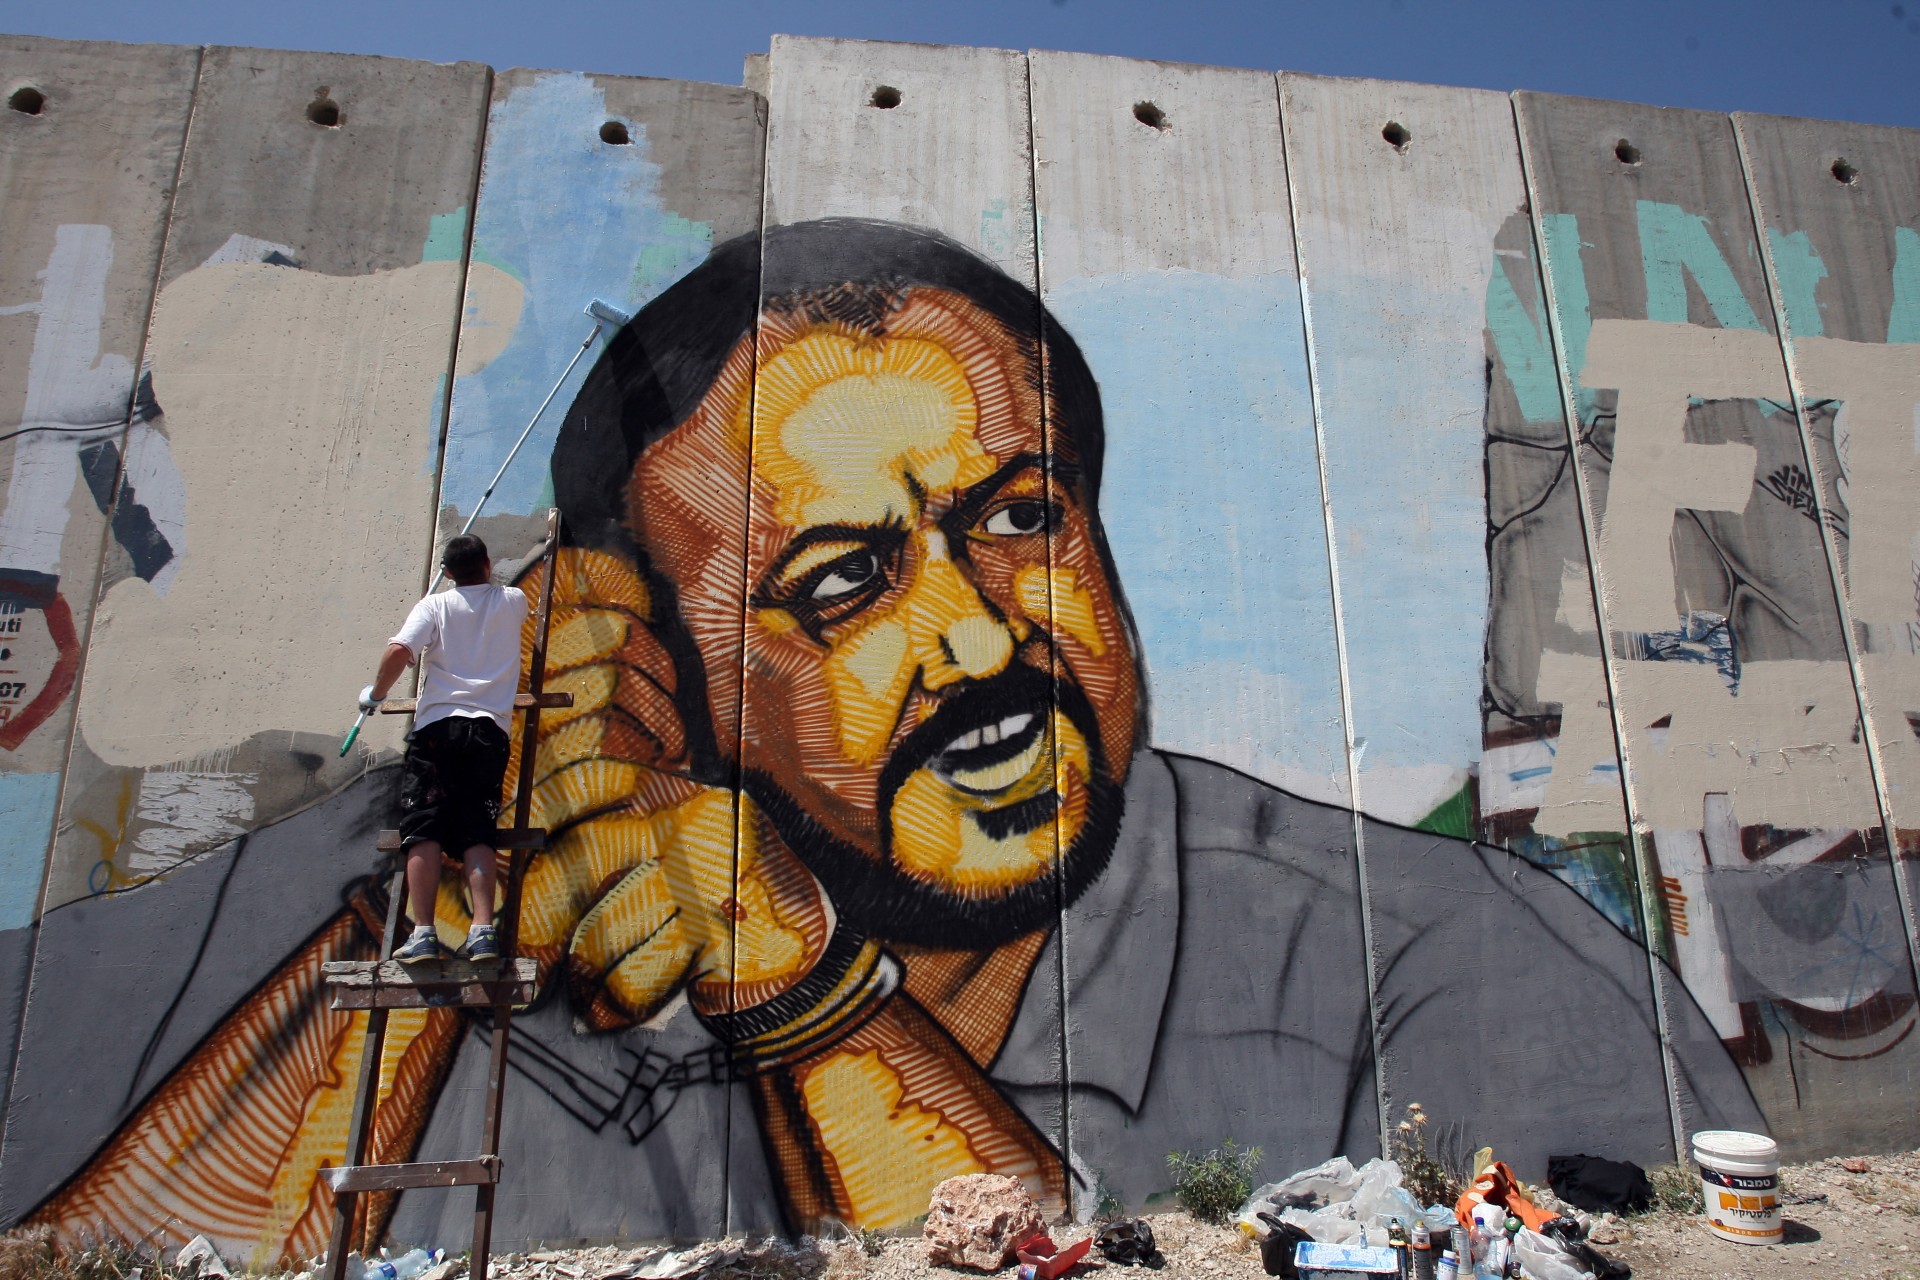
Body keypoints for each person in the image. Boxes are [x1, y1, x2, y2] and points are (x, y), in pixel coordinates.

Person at [13, 218, 1769, 1258]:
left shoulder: (1436, 959)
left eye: (1018, 519)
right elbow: (114, 1260)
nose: (984, 636)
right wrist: (450, 915)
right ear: (652, 675)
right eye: (842, 581)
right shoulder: (367, 898)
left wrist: (801, 988)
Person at [361, 533, 528, 964]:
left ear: (448, 573)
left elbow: (400, 650)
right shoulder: (513, 601)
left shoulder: (433, 606)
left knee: (423, 830)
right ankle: (484, 932)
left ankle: (423, 933)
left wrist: (375, 695)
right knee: (478, 829)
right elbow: (485, 591)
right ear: (488, 564)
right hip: (488, 732)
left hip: (437, 729)